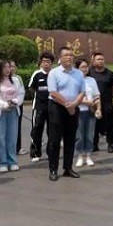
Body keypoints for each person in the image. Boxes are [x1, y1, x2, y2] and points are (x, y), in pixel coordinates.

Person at [47, 48, 85, 180]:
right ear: (60, 57)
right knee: (55, 140)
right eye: (66, 55)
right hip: (57, 108)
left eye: (71, 55)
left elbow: (82, 92)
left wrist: (74, 105)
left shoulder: (79, 73)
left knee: (70, 139)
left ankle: (68, 168)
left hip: (74, 107)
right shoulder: (54, 73)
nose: (69, 57)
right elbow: (53, 92)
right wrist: (67, 105)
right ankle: (53, 169)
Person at [0, 60, 25, 173]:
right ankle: (2, 163)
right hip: (0, 113)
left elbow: (21, 93)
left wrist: (15, 102)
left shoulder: (16, 80)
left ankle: (12, 162)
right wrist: (4, 105)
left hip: (13, 111)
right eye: (5, 67)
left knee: (12, 138)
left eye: (9, 67)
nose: (8, 69)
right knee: (1, 139)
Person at [28, 52, 54, 162]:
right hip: (38, 107)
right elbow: (31, 88)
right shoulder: (37, 74)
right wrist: (38, 96)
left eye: (48, 61)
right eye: (44, 61)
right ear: (41, 62)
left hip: (52, 107)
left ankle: (51, 152)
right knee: (36, 129)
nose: (46, 64)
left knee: (52, 131)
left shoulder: (54, 74)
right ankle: (36, 152)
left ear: (51, 63)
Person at [74, 59, 101, 168]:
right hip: (79, 111)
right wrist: (86, 102)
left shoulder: (91, 80)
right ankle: (80, 156)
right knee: (79, 136)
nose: (85, 69)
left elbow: (97, 96)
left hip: (90, 112)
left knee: (90, 135)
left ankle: (89, 155)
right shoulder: (74, 80)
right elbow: (72, 97)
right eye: (82, 67)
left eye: (86, 67)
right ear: (77, 69)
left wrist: (98, 108)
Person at [89, 52, 113, 153]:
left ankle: (110, 143)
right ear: (94, 61)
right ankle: (94, 144)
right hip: (94, 102)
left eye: (102, 59)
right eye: (98, 59)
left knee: (109, 123)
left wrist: (109, 96)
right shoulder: (90, 73)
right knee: (95, 123)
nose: (101, 61)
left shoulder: (110, 73)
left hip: (107, 102)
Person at [9, 60, 27, 156]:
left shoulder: (18, 78)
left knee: (17, 127)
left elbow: (21, 92)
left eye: (13, 66)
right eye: (10, 66)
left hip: (18, 105)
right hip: (6, 105)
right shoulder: (3, 78)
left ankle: (18, 147)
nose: (12, 68)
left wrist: (17, 102)